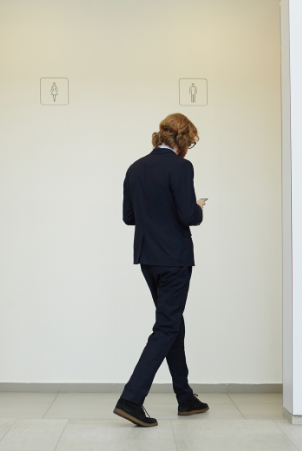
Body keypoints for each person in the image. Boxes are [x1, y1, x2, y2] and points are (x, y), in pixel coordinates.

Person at [113, 113, 209, 427]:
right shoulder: (181, 167)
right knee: (167, 328)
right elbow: (187, 216)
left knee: (172, 324)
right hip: (175, 259)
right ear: (182, 140)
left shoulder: (135, 168)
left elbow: (129, 216)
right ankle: (131, 399)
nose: (189, 150)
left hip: (148, 258)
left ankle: (185, 398)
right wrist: (197, 207)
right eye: (190, 144)